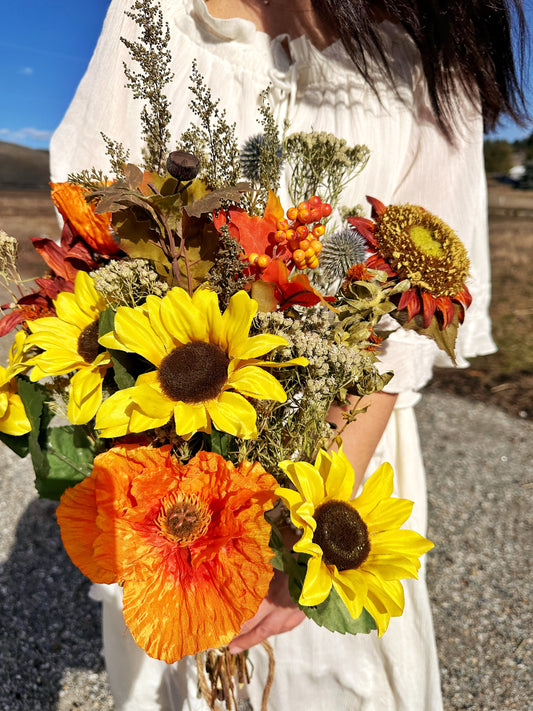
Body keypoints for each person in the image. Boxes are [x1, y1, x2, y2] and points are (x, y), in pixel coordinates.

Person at [49, 1, 528, 709]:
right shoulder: (153, 13)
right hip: (170, 452)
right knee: (177, 664)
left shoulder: (436, 41)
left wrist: (297, 535)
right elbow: (91, 235)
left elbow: (408, 317)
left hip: (341, 460)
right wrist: (187, 509)